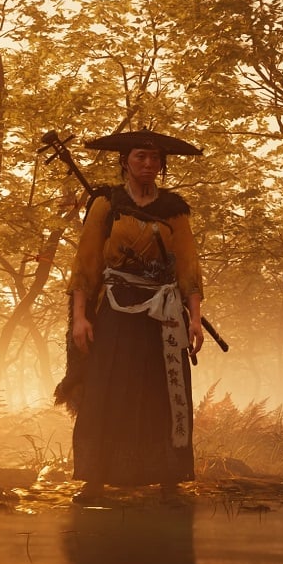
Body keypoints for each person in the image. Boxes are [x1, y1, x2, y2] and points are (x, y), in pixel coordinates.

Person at [58, 129, 207, 495]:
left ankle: (168, 478)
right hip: (116, 311)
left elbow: (188, 266)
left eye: (155, 158)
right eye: (141, 156)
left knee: (162, 393)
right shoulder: (106, 204)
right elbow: (86, 264)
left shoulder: (174, 209)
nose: (148, 163)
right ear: (125, 161)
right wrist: (81, 317)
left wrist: (194, 318)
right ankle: (96, 477)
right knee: (107, 388)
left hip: (164, 316)